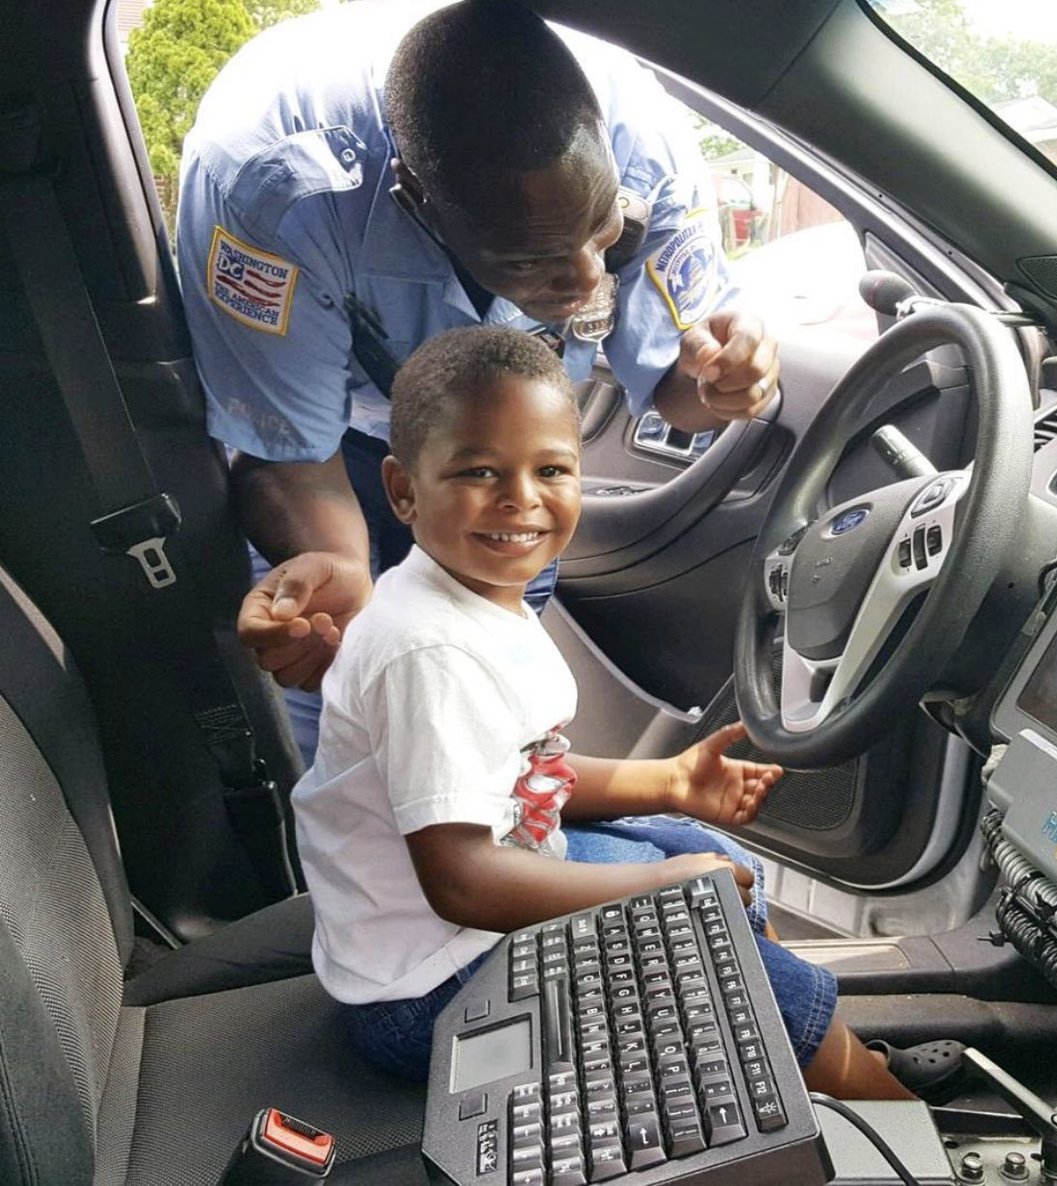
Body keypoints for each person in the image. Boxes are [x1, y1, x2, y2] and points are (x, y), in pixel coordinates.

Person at [292, 324, 947, 1100]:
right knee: (708, 937)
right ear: (402, 489)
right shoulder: (427, 653)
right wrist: (663, 889)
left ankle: (798, 1056)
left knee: (691, 848)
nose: (520, 499)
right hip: (429, 995)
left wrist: (668, 784)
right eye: (478, 471)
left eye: (552, 470)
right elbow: (462, 882)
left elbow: (519, 767)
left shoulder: (469, 601)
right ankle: (879, 1105)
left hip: (457, 932)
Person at [175, 0, 782, 760]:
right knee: (354, 737)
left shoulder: (644, 145)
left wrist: (726, 380)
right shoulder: (272, 191)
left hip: (506, 445)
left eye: (603, 231)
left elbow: (677, 390)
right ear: (419, 200)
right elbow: (288, 453)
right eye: (530, 261)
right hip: (345, 453)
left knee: (500, 737)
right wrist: (341, 572)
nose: (585, 278)